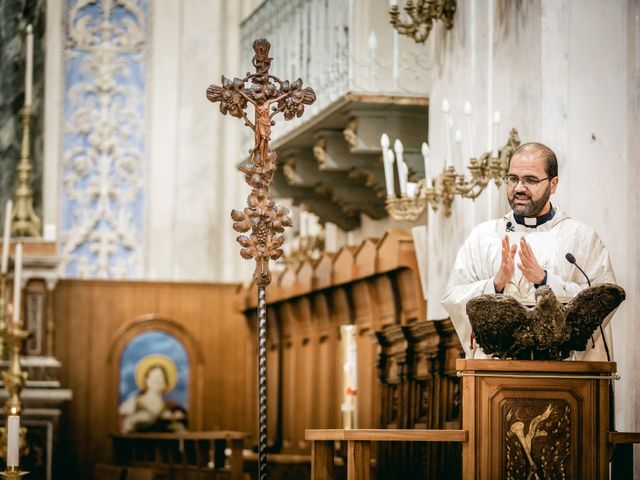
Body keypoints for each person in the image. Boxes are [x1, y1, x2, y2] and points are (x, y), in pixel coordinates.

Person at [441, 142, 615, 360]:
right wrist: (494, 284)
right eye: (513, 179)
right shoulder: (483, 237)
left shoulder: (581, 238)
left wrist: (545, 281)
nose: (519, 188)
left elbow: (601, 302)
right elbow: (453, 297)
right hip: (496, 378)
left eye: (530, 180)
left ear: (553, 184)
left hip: (563, 378)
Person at [119, 361, 187, 433]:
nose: (157, 381)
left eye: (161, 377)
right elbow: (120, 427)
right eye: (154, 377)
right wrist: (134, 419)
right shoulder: (135, 402)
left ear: (165, 383)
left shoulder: (169, 406)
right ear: (146, 380)